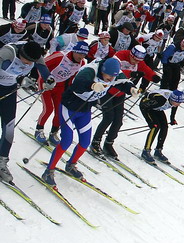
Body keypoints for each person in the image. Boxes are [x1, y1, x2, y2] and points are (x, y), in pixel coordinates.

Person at [41, 57, 136, 186]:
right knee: (66, 141)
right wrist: (91, 85)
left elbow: (123, 82)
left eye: (113, 77)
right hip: (69, 107)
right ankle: (49, 171)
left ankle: (71, 165)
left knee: (85, 142)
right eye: (108, 77)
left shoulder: (113, 73)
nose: (111, 80)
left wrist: (131, 89)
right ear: (102, 70)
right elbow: (78, 84)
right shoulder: (90, 71)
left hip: (85, 110)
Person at [91, 45, 160, 159]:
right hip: (108, 89)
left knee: (118, 121)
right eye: (134, 59)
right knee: (108, 117)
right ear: (131, 55)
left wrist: (153, 76)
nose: (135, 63)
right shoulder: (120, 56)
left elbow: (146, 69)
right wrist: (131, 73)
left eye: (138, 61)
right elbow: (116, 71)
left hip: (121, 93)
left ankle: (109, 143)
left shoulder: (138, 62)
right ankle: (95, 141)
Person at [0, 42, 54, 182]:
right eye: (27, 61)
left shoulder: (35, 55)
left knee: (9, 128)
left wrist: (49, 79)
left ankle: (2, 162)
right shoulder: (8, 52)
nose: (29, 64)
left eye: (32, 62)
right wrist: (20, 78)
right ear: (21, 54)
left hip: (9, 90)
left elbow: (44, 70)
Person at [35, 41, 89, 145]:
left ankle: (53, 132)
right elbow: (41, 64)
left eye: (84, 55)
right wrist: (45, 79)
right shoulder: (60, 56)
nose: (81, 57)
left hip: (60, 87)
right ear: (74, 51)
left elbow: (73, 78)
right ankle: (39, 130)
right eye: (79, 53)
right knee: (48, 108)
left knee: (59, 111)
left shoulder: (82, 63)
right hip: (46, 83)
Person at [138, 89, 184, 164]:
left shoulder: (174, 101)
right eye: (177, 102)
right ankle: (146, 151)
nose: (178, 104)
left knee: (165, 127)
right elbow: (144, 106)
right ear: (172, 99)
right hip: (147, 106)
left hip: (157, 108)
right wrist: (150, 122)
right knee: (155, 127)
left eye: (180, 103)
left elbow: (174, 107)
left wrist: (172, 119)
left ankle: (158, 150)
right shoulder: (161, 100)